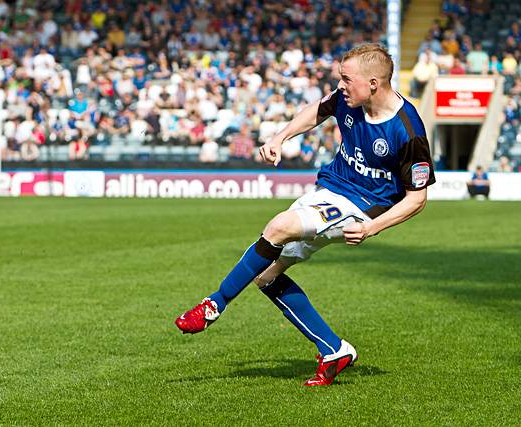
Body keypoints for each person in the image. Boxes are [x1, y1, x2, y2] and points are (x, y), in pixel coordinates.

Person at [175, 44, 436, 387]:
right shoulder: (349, 97)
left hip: (361, 207)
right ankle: (334, 349)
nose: (340, 85)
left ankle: (215, 303)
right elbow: (320, 109)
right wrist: (281, 136)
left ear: (374, 83)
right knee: (265, 275)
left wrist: (372, 227)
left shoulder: (408, 131)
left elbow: (417, 198)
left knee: (279, 226)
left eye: (346, 79)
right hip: (329, 190)